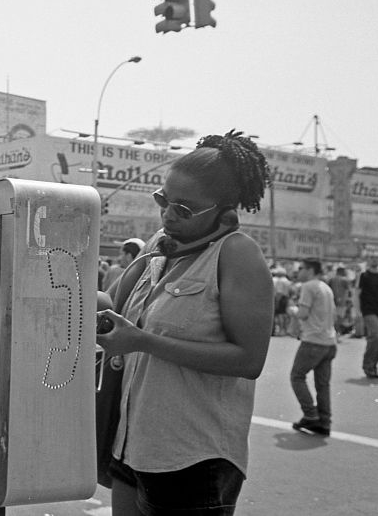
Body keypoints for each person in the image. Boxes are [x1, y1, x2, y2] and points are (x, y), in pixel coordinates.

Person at [97, 130, 274, 516]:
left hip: (192, 458)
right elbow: (114, 304)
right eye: (164, 201)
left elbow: (249, 360)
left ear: (224, 212)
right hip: (133, 444)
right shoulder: (159, 246)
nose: (168, 216)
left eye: (184, 209)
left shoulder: (237, 255)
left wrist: (143, 342)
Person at [288, 258, 336, 436]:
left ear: (310, 270)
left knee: (297, 377)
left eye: (301, 268)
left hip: (313, 341)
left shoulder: (308, 286)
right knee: (323, 385)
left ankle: (310, 415)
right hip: (329, 342)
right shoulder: (326, 287)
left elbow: (303, 313)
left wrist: (291, 310)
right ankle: (325, 422)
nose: (298, 272)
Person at [327, 265, 352, 336]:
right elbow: (349, 292)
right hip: (342, 303)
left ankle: (334, 332)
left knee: (333, 318)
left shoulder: (331, 279)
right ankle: (337, 332)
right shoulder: (345, 280)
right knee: (340, 318)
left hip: (332, 301)